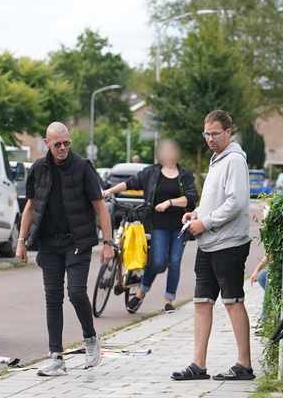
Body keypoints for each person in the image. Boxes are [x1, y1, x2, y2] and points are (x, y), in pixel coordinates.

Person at [16, 122, 115, 377]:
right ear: (47, 144)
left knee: (76, 292)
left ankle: (91, 339)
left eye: (66, 143)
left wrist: (108, 243)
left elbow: (100, 207)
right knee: (52, 298)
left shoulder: (82, 167)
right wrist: (21, 241)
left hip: (77, 242)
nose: (62, 148)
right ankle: (56, 357)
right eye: (57, 144)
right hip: (49, 244)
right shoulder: (39, 169)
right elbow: (30, 206)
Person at [171, 110, 254, 382]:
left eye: (215, 134)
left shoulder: (234, 161)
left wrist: (205, 223)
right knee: (201, 302)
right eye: (206, 134)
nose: (210, 139)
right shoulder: (217, 160)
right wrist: (196, 214)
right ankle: (198, 364)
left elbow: (237, 202)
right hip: (209, 243)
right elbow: (218, 201)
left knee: (233, 301)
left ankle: (244, 365)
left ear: (229, 132)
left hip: (228, 244)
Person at [101, 139, 197, 312]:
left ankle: (168, 300)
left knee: (174, 262)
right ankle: (141, 291)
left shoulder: (184, 175)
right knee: (158, 261)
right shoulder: (151, 173)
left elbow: (190, 198)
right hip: (157, 224)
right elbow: (130, 183)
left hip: (179, 226)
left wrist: (169, 202)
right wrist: (109, 191)